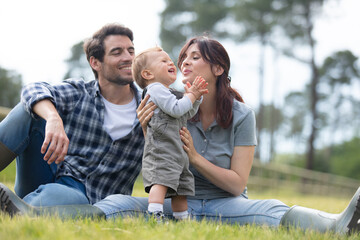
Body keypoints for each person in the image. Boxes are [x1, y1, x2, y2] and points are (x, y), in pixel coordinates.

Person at [1, 36, 359, 235]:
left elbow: (237, 185)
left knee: (273, 209)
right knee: (113, 206)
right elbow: (150, 158)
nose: (184, 63)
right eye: (183, 57)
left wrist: (195, 159)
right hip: (172, 203)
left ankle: (336, 224)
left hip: (224, 203)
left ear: (218, 69)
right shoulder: (161, 102)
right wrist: (145, 130)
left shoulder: (241, 115)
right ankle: (27, 212)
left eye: (195, 59)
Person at [0, 23, 144, 216]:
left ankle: (20, 210)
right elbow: (31, 90)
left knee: (62, 196)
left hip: (88, 198)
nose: (128, 58)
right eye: (117, 52)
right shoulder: (79, 92)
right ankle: (21, 208)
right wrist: (53, 118)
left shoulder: (149, 107)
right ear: (95, 63)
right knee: (28, 110)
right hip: (49, 173)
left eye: (131, 51)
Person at [132, 46, 208, 221]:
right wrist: (191, 96)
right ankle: (154, 214)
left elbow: (186, 113)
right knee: (160, 181)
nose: (171, 63)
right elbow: (176, 109)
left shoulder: (169, 92)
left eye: (169, 60)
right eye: (164, 61)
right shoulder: (155, 89)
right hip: (162, 152)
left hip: (177, 153)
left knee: (181, 189)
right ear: (147, 74)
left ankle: (181, 219)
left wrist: (195, 98)